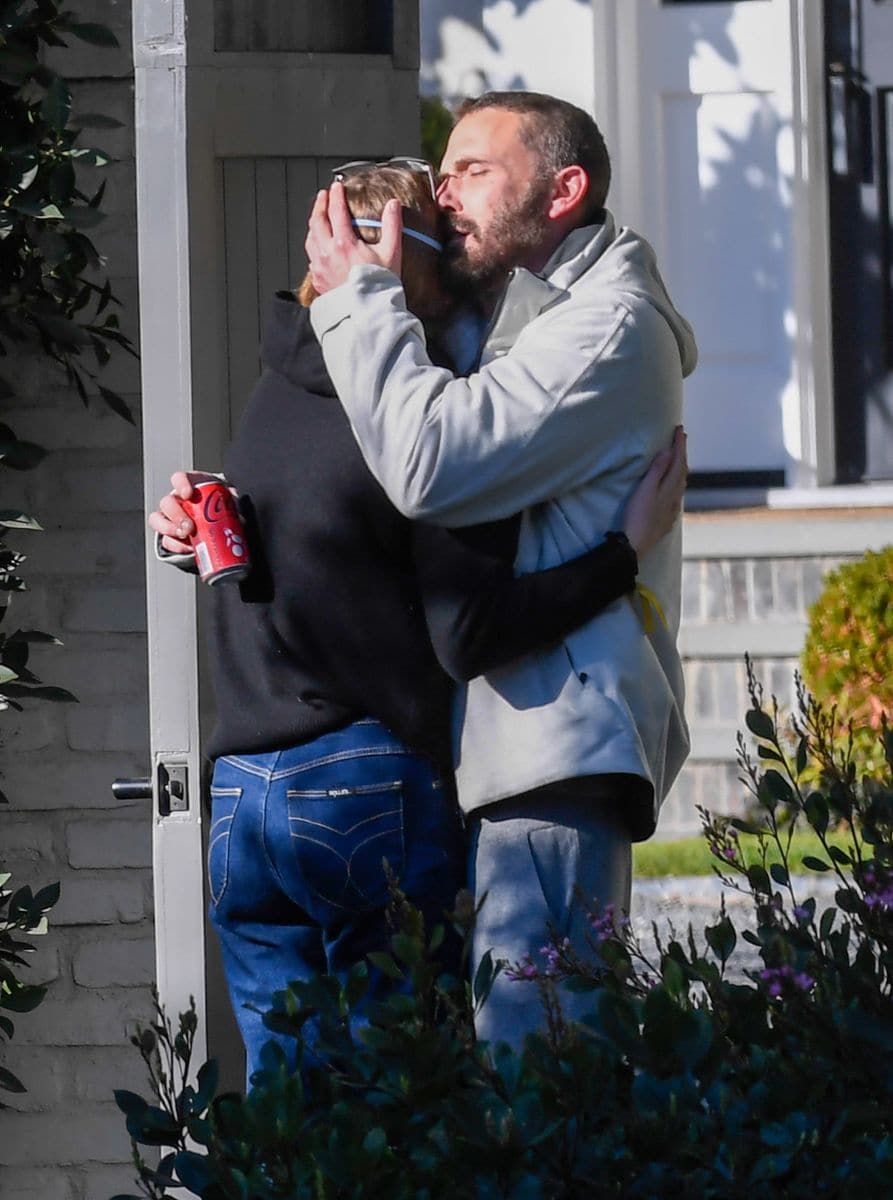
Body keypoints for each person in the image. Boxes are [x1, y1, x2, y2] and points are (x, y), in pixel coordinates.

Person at [150, 162, 687, 1074]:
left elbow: (285, 560)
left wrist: (189, 533)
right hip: (363, 780)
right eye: (449, 233)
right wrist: (619, 555)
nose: (473, 265)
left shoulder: (275, 382)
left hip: (241, 789)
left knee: (291, 1113)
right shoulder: (421, 405)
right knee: (405, 1104)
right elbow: (466, 631)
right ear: (398, 255)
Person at [305, 92, 697, 1044]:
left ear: (563, 190)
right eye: (443, 171)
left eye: (475, 169)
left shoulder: (603, 328)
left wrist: (360, 299)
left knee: (543, 1074)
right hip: (517, 743)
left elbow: (432, 464)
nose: (446, 192)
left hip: (553, 750)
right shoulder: (524, 311)